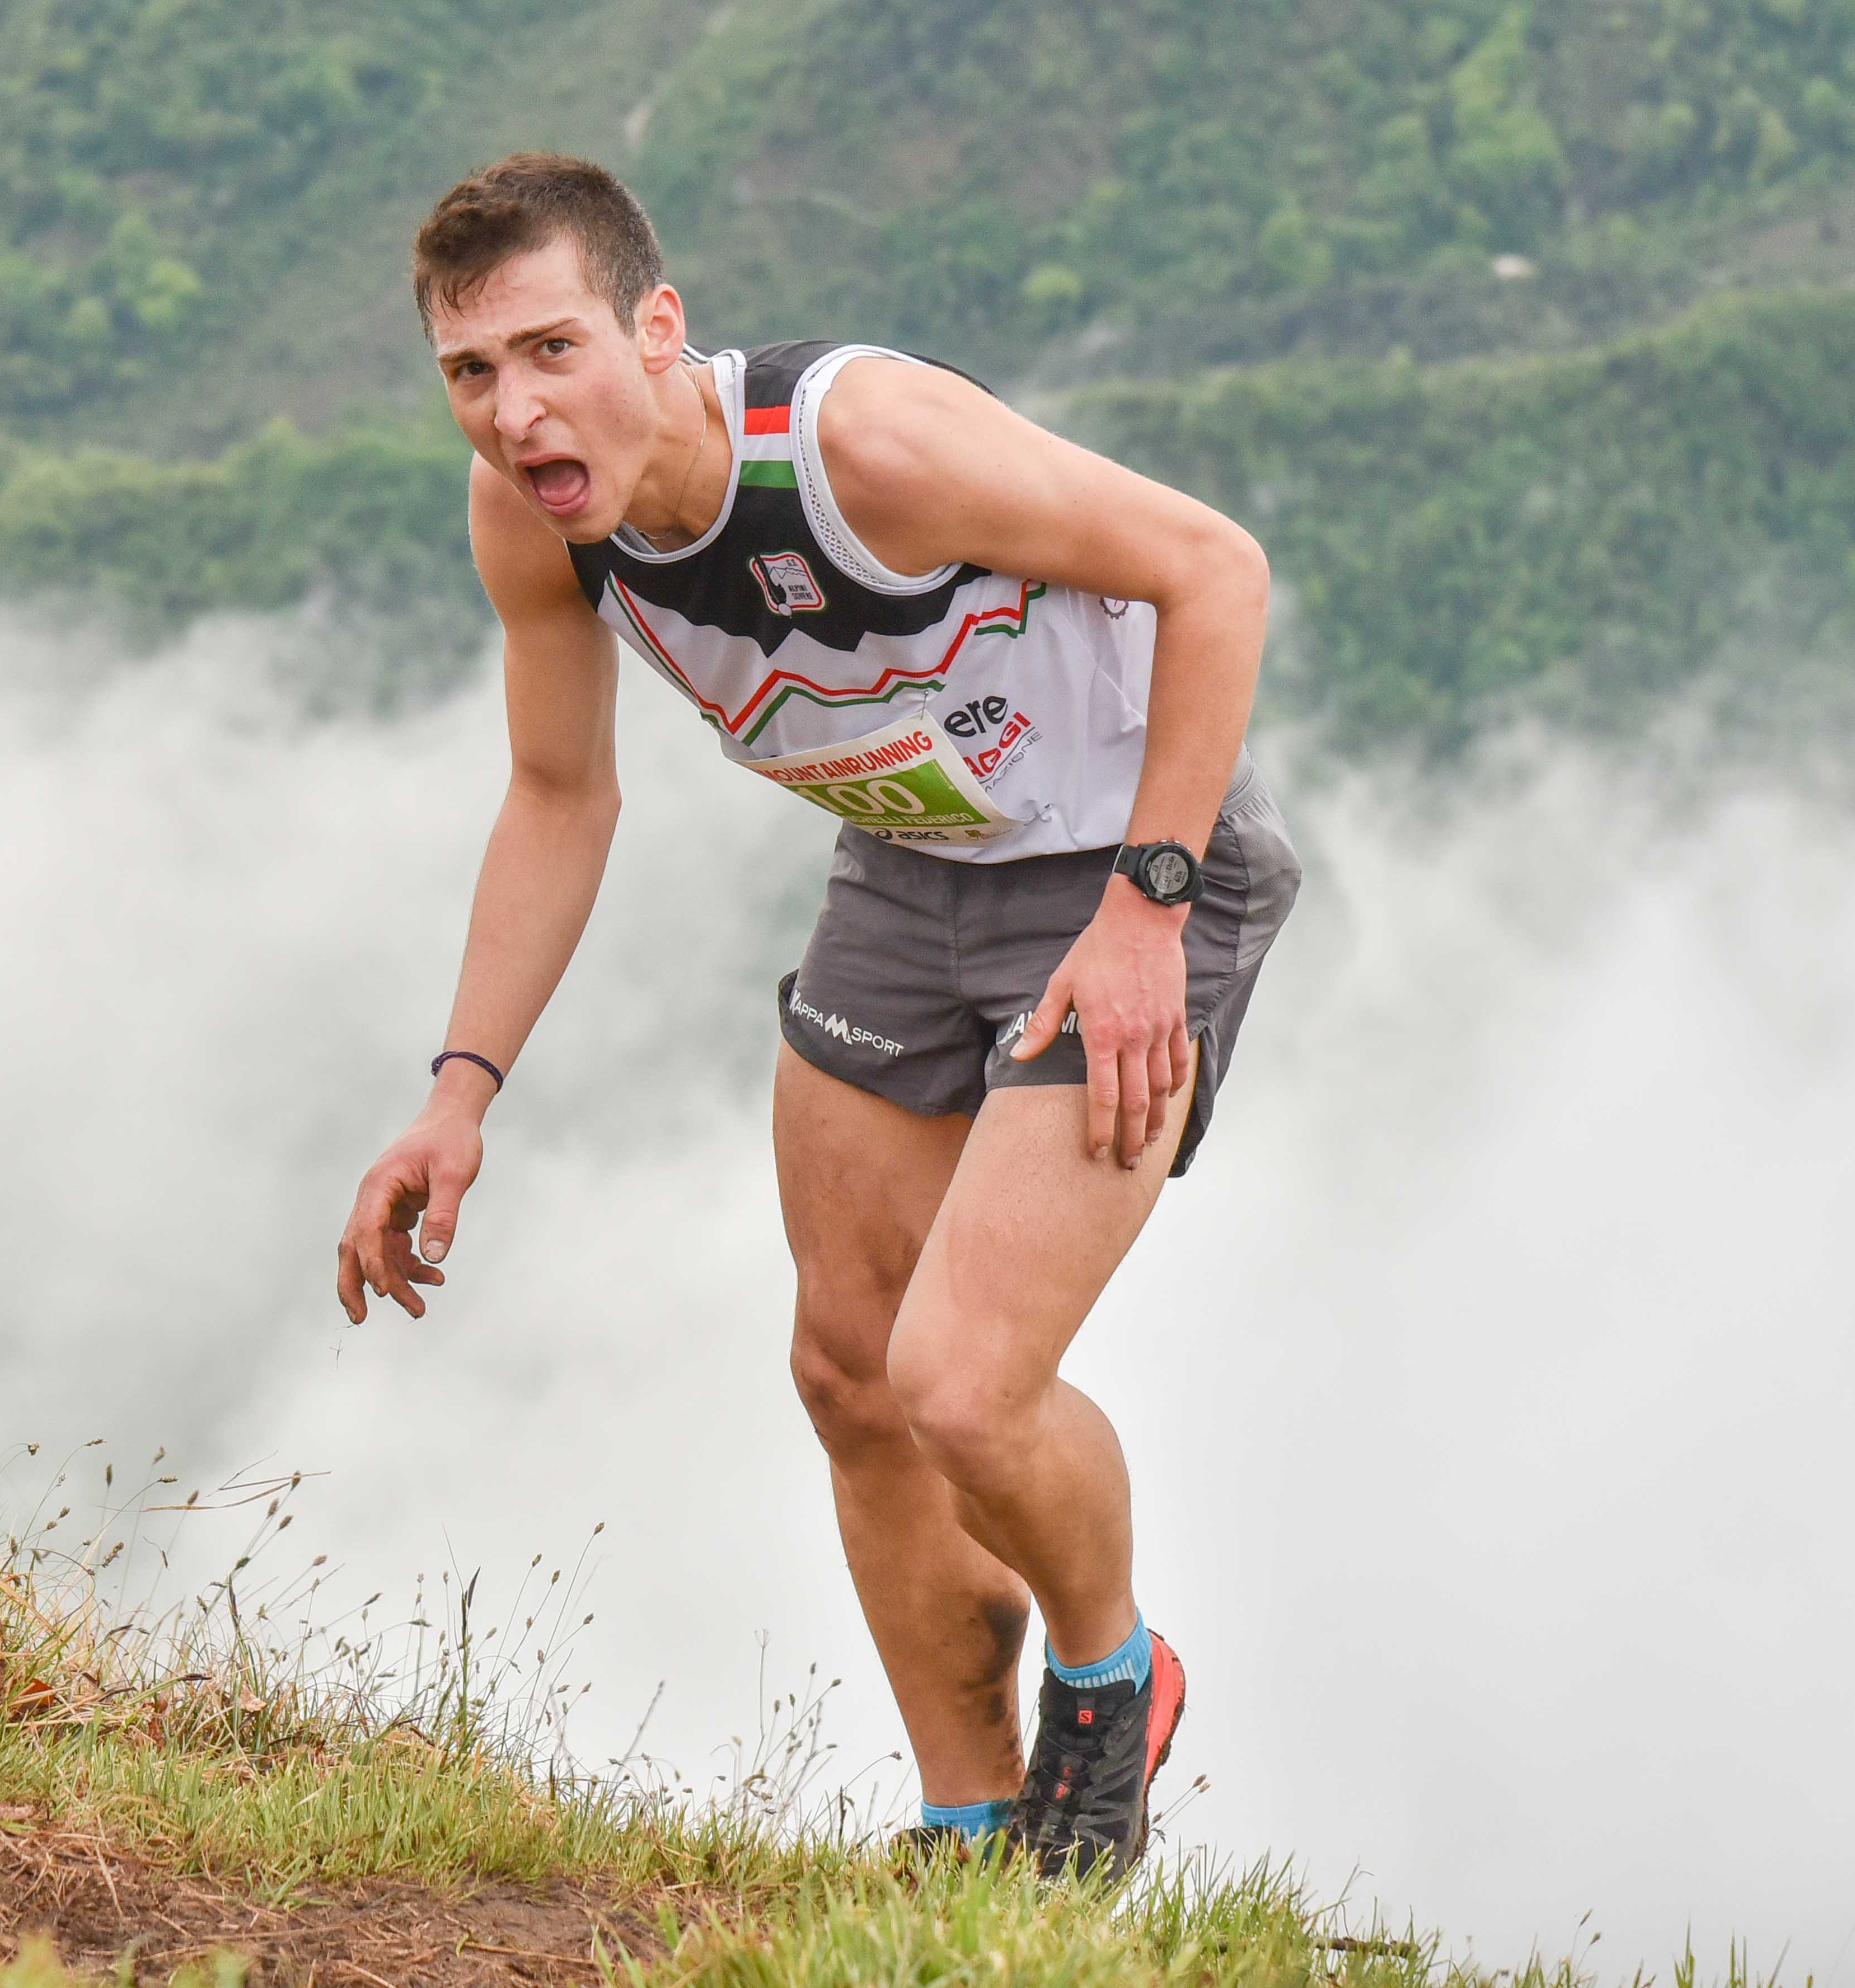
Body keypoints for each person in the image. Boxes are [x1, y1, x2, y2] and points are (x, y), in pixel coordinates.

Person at [335, 153, 1297, 1877]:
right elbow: (557, 794)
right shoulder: (531, 520)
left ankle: (1111, 1671)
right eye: (470, 372)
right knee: (851, 1373)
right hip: (910, 873)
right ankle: (965, 1823)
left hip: (1130, 868)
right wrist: (457, 1095)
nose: (515, 411)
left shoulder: (864, 451)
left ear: (657, 329)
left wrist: (1150, 906)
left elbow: (1215, 571)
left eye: (551, 350)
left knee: (963, 1387)